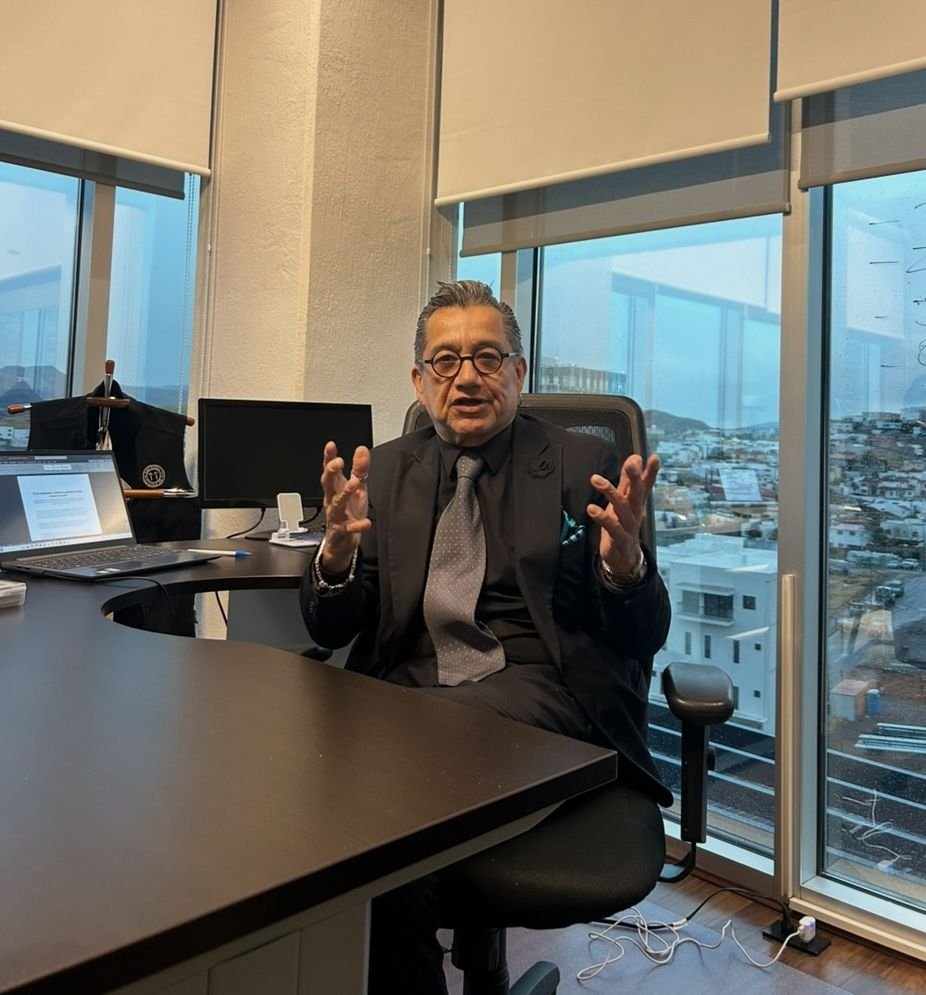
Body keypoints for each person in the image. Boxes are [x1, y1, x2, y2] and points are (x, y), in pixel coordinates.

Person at [299, 279, 671, 993]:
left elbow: (640, 635)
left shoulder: (579, 463)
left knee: (375, 806)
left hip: (544, 693)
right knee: (376, 842)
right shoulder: (387, 470)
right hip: (410, 694)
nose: (466, 376)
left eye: (487, 357)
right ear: (419, 380)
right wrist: (336, 557)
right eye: (445, 360)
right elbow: (331, 624)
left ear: (518, 372)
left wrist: (625, 567)